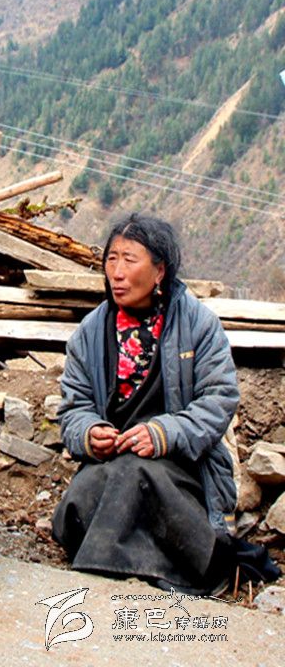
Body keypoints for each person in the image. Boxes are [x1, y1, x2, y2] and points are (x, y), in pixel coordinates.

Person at [52, 213, 271, 595]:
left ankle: (113, 574)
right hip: (111, 462)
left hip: (182, 466)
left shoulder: (198, 324)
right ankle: (144, 566)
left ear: (159, 271)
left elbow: (219, 399)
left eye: (129, 260)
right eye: (111, 259)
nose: (117, 272)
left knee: (137, 476)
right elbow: (73, 407)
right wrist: (90, 433)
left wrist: (163, 433)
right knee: (86, 497)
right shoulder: (90, 332)